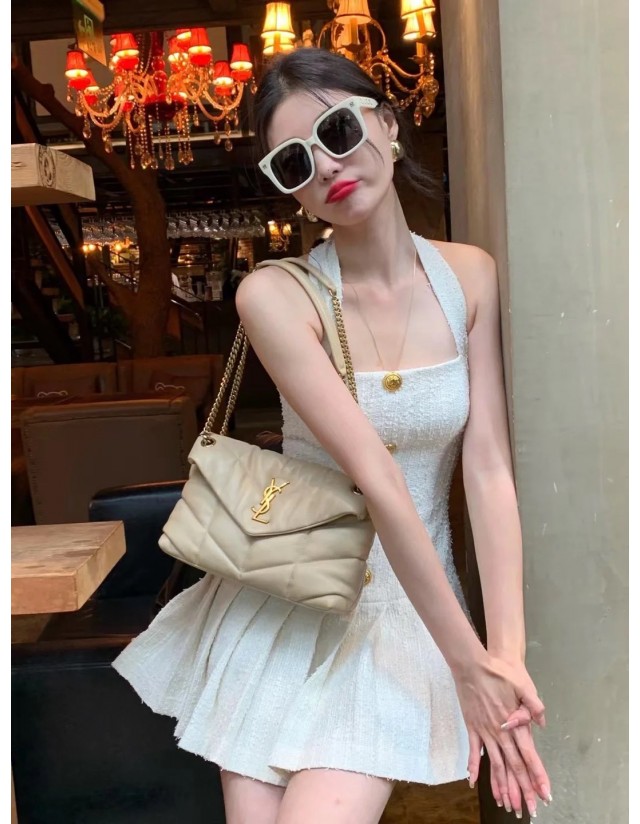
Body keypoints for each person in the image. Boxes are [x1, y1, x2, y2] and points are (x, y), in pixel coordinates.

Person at [113, 49, 551, 824]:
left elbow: (487, 471)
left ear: (388, 124)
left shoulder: (470, 278)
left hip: (406, 611)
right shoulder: (276, 297)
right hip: (291, 600)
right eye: (294, 162)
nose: (325, 166)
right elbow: (378, 480)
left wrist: (502, 657)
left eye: (338, 131)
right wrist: (468, 666)